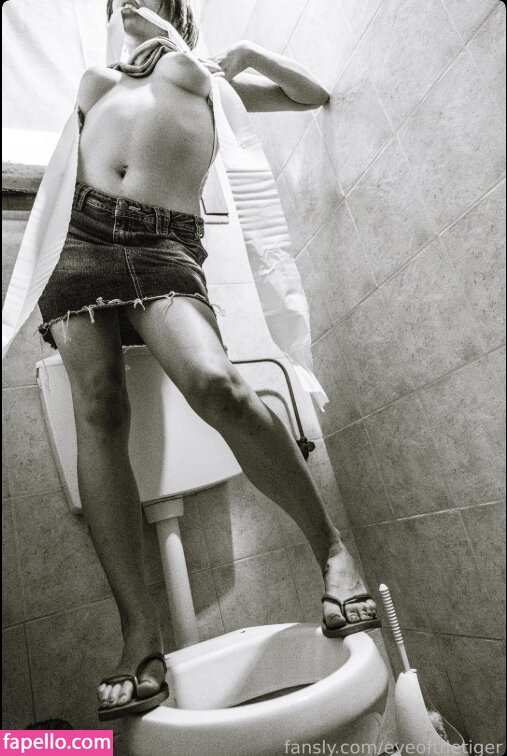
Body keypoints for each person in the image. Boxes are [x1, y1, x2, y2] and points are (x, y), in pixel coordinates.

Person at [36, 0, 380, 720]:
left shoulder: (206, 71)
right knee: (98, 409)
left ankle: (331, 553)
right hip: (79, 241)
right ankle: (140, 633)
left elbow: (310, 93)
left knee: (217, 385)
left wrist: (245, 52)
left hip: (164, 241)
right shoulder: (99, 78)